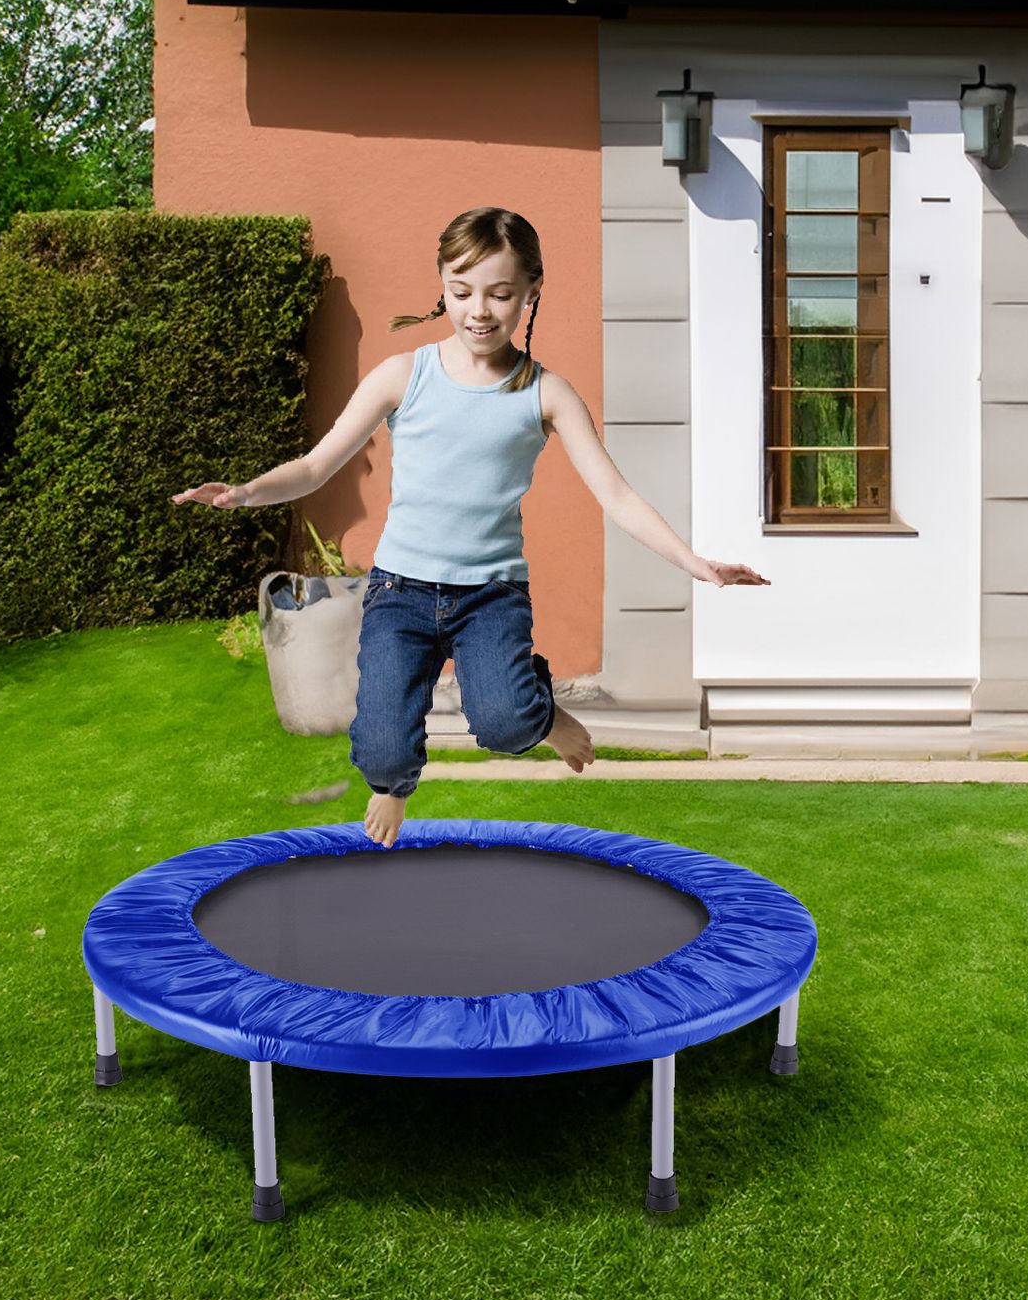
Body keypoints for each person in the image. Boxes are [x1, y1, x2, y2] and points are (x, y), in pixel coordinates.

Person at [173, 206, 770, 849]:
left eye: (500, 294)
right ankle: (394, 785)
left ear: (530, 292)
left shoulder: (546, 394)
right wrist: (247, 492)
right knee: (378, 752)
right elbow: (317, 466)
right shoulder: (404, 376)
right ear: (443, 285)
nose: (479, 310)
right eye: (461, 293)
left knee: (508, 725)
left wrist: (696, 563)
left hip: (489, 596)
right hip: (400, 593)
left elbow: (617, 495)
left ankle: (537, 708)